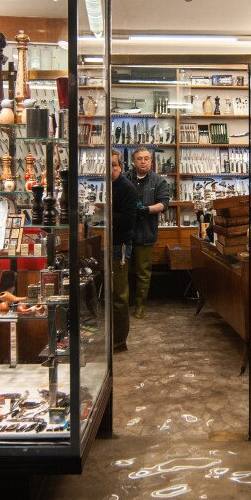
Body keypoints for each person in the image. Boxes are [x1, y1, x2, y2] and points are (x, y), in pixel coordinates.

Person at [126, 147, 171, 319]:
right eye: (139, 159)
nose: (143, 162)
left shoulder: (158, 181)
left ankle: (140, 307)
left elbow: (164, 204)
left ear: (151, 161)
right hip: (126, 232)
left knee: (143, 273)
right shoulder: (125, 178)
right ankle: (125, 305)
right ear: (134, 161)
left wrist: (146, 209)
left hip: (146, 233)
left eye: (146, 158)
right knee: (124, 271)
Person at [110, 149, 137, 352]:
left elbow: (128, 219)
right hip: (108, 244)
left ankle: (119, 341)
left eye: (113, 165)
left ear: (120, 166)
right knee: (111, 295)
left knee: (119, 296)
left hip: (119, 247)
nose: (110, 169)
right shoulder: (107, 186)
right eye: (106, 165)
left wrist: (105, 213)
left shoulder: (126, 188)